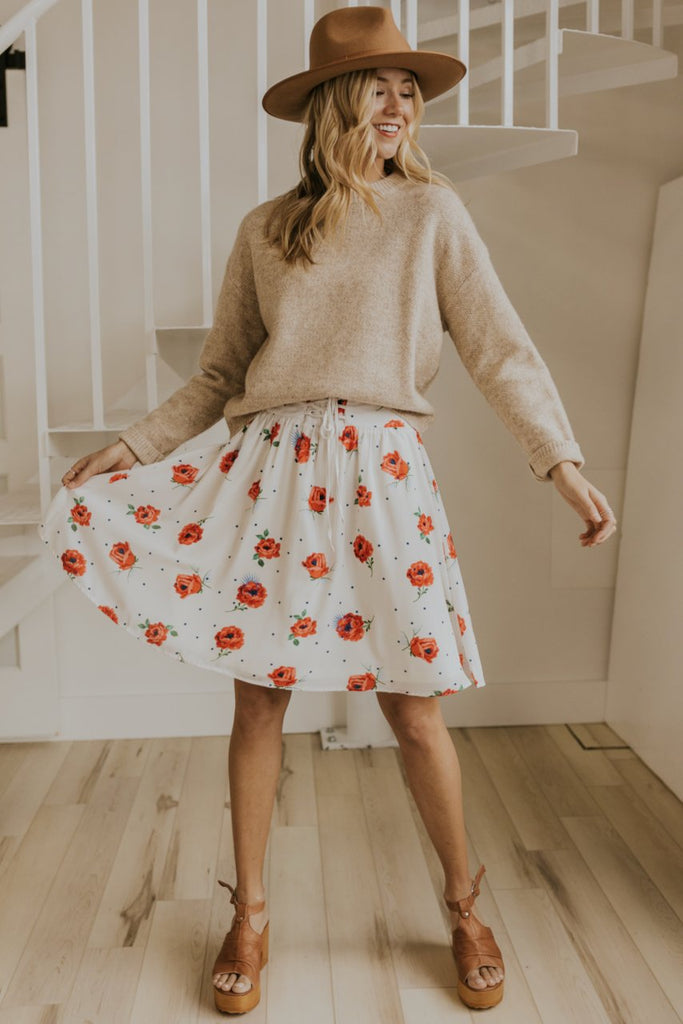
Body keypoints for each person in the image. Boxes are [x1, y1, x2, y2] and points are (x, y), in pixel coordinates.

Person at [39, 6, 617, 1015]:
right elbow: (219, 371)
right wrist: (134, 447)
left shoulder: (433, 215)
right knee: (258, 699)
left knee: (413, 704)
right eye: (377, 89)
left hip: (384, 475)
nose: (397, 106)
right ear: (331, 103)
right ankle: (250, 915)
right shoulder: (265, 229)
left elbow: (497, 348)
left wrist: (557, 460)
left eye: (408, 91)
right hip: (269, 475)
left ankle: (463, 907)